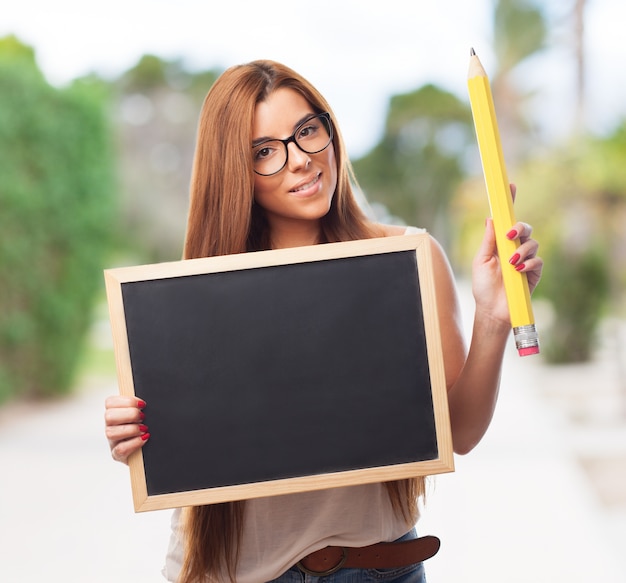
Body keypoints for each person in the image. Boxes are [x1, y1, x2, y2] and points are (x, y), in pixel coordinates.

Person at [104, 60, 543, 583]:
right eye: (264, 151)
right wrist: (138, 434)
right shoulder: (196, 296)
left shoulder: (407, 257)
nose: (300, 161)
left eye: (308, 131)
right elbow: (188, 444)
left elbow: (461, 433)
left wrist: (493, 317)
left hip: (377, 569)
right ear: (233, 170)